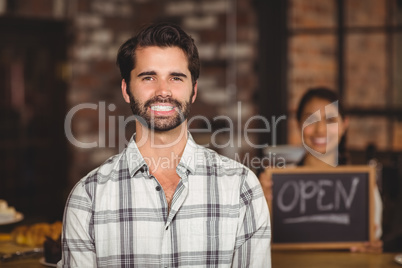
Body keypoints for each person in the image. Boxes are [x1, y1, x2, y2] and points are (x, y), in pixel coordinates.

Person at [58, 22, 271, 267]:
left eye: (176, 78)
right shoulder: (87, 198)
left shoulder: (242, 189)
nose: (163, 91)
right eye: (148, 77)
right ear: (126, 90)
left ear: (193, 91)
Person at [259, 87, 383, 253]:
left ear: (344, 124)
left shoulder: (362, 185)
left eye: (330, 120)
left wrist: (373, 248)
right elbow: (259, 244)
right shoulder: (276, 182)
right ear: (298, 124)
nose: (320, 130)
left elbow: (374, 238)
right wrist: (262, 202)